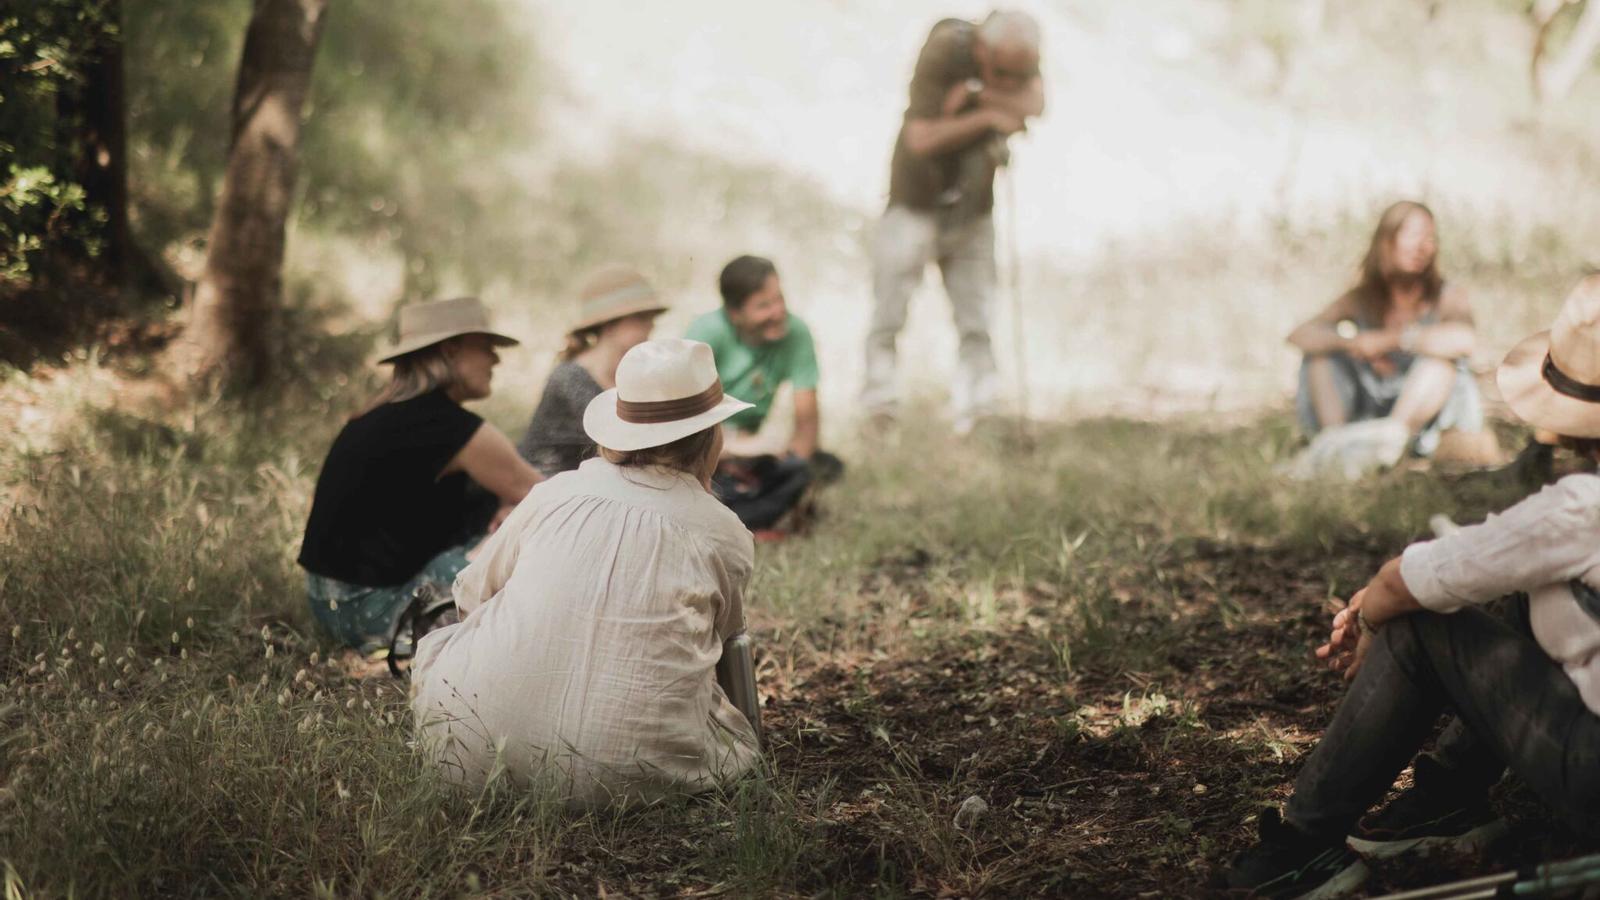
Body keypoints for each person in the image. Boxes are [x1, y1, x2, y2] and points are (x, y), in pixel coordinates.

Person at [1227, 275, 1600, 899]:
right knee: (1523, 594)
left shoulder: (1582, 508)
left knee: (1419, 628)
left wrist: (1370, 616)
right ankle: (1445, 799)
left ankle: (1303, 848)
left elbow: (1407, 582)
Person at [411, 338, 761, 808]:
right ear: (710, 438)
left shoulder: (557, 493)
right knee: (721, 732)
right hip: (631, 778)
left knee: (451, 647)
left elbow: (473, 593)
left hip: (470, 753)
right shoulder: (723, 532)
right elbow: (721, 643)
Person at [297, 297, 542, 654]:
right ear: (451, 350)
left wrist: (508, 503)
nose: (496, 359)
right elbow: (551, 497)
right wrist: (519, 510)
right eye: (486, 347)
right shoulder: (451, 428)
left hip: (326, 605)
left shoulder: (379, 415)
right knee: (532, 549)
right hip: (374, 612)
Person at [862, 10, 1044, 434]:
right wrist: (988, 118)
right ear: (981, 47)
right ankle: (879, 410)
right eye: (1001, 73)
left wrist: (976, 95)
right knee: (889, 314)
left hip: (975, 210)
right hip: (915, 203)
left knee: (977, 320)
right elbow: (921, 138)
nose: (1011, 84)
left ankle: (980, 413)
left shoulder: (1018, 55)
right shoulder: (945, 46)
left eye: (1019, 76)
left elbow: (1034, 105)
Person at [1288, 201, 1484, 458]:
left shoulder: (1448, 296)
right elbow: (1300, 335)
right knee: (1320, 359)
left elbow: (1465, 341)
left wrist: (1391, 340)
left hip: (1417, 413)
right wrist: (1355, 343)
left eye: (1430, 238)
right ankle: (1334, 446)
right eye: (1413, 235)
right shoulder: (1361, 297)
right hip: (1369, 402)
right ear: (1386, 241)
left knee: (1442, 366)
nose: (1422, 247)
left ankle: (1389, 446)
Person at [686, 255, 843, 533]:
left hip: (750, 454)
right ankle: (741, 516)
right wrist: (733, 446)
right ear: (735, 314)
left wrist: (798, 469)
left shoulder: (795, 332)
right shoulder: (706, 333)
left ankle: (747, 512)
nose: (778, 311)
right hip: (707, 448)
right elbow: (684, 422)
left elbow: (807, 419)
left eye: (780, 299)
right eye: (764, 306)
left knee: (821, 466)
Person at [518, 264, 668, 476]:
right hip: (545, 484)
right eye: (641, 318)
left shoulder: (629, 373)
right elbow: (626, 443)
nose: (651, 326)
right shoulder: (570, 376)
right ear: (610, 325)